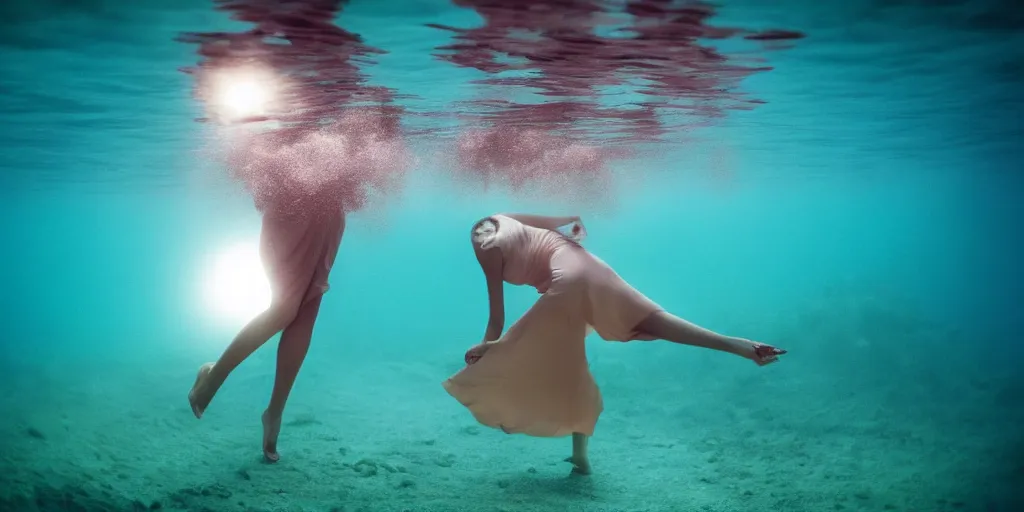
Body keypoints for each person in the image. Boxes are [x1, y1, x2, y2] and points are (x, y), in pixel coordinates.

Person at [442, 213, 786, 475]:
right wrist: (574, 225)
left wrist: (490, 349)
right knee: (650, 321)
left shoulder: (485, 248)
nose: (480, 238)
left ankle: (537, 424)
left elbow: (497, 317)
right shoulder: (502, 217)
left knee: (541, 362)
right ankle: (741, 346)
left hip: (568, 283)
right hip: (591, 267)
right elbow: (562, 218)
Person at [188, 205, 345, 463]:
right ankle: (262, 406)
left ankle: (253, 399)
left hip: (312, 203)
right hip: (314, 203)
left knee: (298, 307)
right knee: (296, 307)